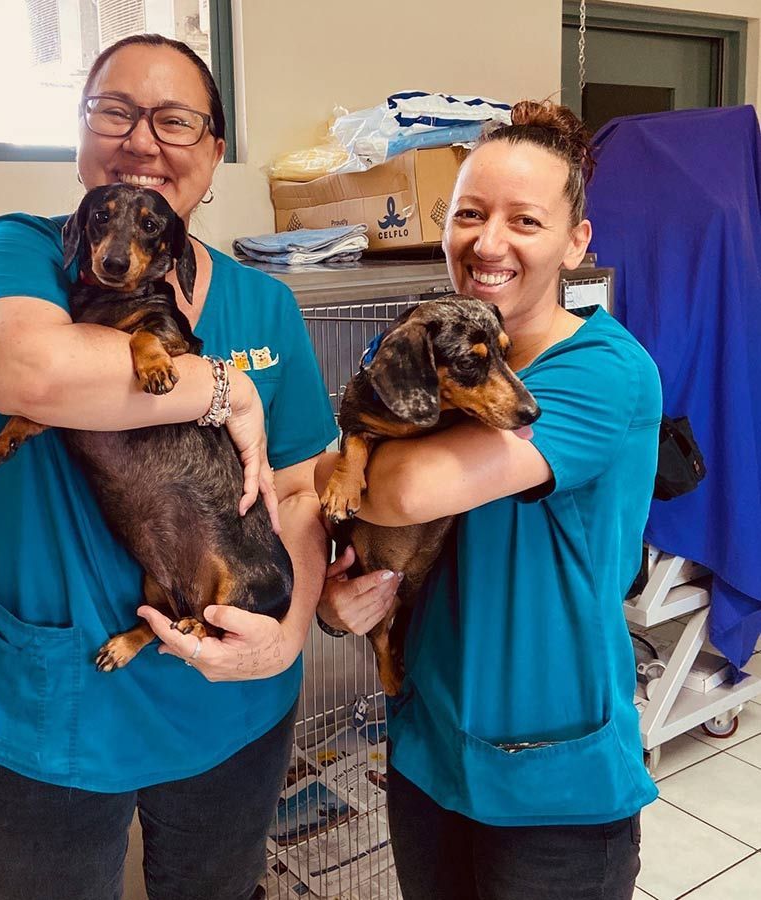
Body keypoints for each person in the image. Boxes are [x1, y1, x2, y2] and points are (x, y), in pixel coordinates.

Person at [0, 34, 337, 900]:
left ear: (216, 152)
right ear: (81, 136)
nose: (141, 140)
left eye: (175, 121)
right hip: (43, 706)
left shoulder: (266, 298)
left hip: (233, 702)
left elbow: (300, 489)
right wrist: (222, 386)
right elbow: (30, 372)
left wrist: (291, 631)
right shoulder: (24, 251)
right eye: (114, 110)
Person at [316, 100, 661, 899]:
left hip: (554, 786)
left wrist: (343, 463)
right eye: (469, 214)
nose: (488, 242)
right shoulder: (432, 359)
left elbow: (400, 488)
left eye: (525, 221)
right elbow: (365, 530)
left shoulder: (603, 372)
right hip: (430, 753)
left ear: (577, 243)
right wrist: (344, 604)